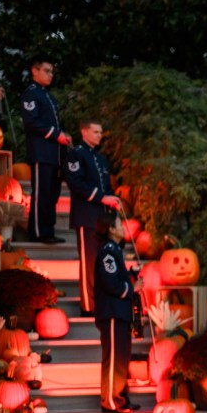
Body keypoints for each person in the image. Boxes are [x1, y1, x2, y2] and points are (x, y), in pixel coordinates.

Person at [64, 120, 122, 316]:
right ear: (84, 132)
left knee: (102, 262)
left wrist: (113, 201)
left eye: (100, 132)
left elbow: (107, 188)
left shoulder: (101, 159)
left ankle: (102, 303)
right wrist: (102, 197)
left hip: (102, 219)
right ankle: (88, 307)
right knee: (89, 264)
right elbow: (76, 183)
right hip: (85, 217)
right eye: (96, 132)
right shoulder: (76, 155)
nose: (99, 136)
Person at [21, 56, 72, 244]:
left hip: (55, 154)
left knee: (52, 195)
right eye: (47, 71)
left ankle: (48, 230)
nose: (50, 75)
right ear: (35, 71)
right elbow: (31, 121)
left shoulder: (49, 96)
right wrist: (54, 134)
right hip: (41, 153)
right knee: (41, 193)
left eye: (52, 72)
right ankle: (37, 232)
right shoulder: (31, 93)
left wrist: (63, 135)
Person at [94, 213, 142, 413]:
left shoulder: (116, 251)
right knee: (114, 357)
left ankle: (120, 395)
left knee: (122, 357)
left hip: (120, 312)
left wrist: (131, 274)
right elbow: (110, 282)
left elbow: (117, 275)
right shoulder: (108, 252)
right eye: (119, 225)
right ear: (111, 230)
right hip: (112, 312)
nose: (123, 228)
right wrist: (133, 288)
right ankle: (111, 400)